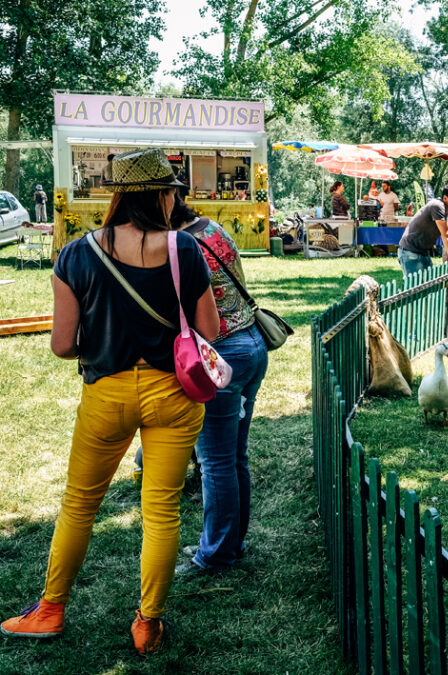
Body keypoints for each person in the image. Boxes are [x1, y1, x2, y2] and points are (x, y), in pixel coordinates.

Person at [1, 148, 218, 654]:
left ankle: (51, 610)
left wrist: (101, 336)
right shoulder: (184, 250)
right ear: (163, 195)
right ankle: (148, 624)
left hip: (107, 393)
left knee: (79, 504)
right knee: (162, 510)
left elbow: (61, 346)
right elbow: (208, 330)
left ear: (118, 195)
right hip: (173, 393)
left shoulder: (75, 255)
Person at [168, 192, 268, 576]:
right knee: (234, 455)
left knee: (216, 462)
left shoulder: (180, 246)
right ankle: (231, 542)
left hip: (221, 356)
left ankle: (216, 555)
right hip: (252, 344)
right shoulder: (211, 228)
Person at [398, 182, 448, 277]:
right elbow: (446, 235)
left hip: (423, 252)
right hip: (409, 251)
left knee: (428, 287)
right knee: (414, 289)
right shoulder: (437, 206)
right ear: (445, 198)